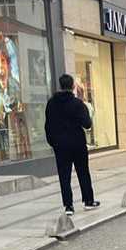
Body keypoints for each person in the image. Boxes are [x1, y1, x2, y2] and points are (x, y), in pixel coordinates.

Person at [45, 74, 99, 215]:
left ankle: (68, 206)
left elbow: (48, 125)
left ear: (60, 85)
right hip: (77, 144)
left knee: (64, 175)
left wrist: (53, 142)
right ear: (73, 86)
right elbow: (87, 124)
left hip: (60, 146)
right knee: (83, 172)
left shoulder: (51, 103)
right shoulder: (77, 104)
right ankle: (88, 201)